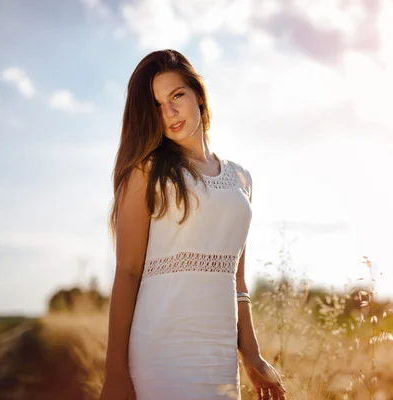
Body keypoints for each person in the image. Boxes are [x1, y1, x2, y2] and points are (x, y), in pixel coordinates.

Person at [98, 49, 287, 400]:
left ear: (198, 94)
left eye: (176, 96)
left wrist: (251, 354)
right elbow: (127, 272)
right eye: (155, 106)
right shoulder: (146, 172)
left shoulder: (241, 178)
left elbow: (237, 278)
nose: (169, 112)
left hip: (219, 355)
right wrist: (114, 374)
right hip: (161, 352)